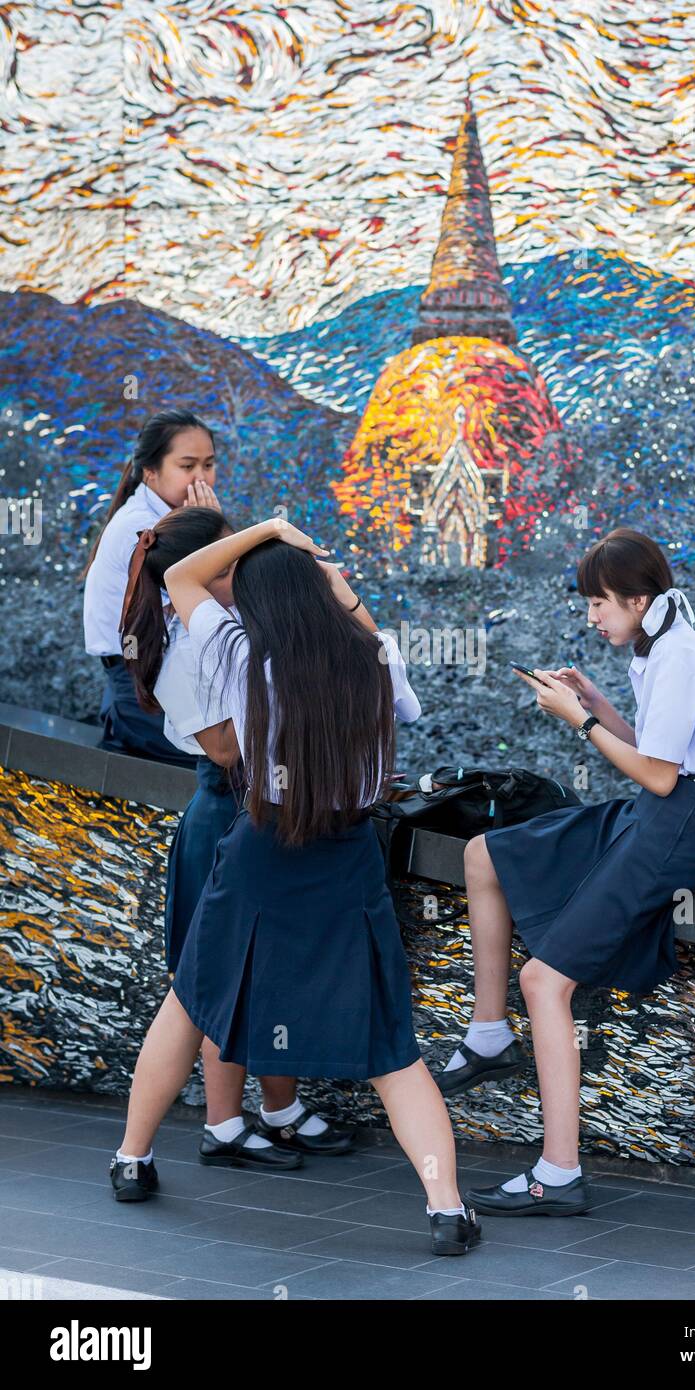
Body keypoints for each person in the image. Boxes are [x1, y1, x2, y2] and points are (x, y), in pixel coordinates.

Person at [109, 516, 481, 1256]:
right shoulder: (373, 655)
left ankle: (131, 1158)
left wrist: (267, 528)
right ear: (322, 592)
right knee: (390, 1048)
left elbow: (179, 577)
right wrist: (335, 583)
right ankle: (446, 1208)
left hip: (259, 852)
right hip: (346, 859)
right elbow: (384, 668)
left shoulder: (236, 651)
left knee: (190, 1001)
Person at [434, 527, 695, 1218]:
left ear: (637, 598)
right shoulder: (660, 644)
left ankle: (557, 1173)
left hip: (682, 824)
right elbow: (658, 752)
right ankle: (488, 1036)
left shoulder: (677, 654)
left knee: (544, 980)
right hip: (664, 811)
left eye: (599, 603)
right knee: (484, 853)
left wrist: (580, 722)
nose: (591, 616)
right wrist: (596, 705)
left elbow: (662, 777)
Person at [120, 504, 355, 1169]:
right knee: (216, 979)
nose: (243, 575)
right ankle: (222, 1124)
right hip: (225, 816)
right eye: (230, 562)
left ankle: (278, 1107)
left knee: (271, 970)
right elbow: (226, 749)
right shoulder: (189, 643)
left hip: (263, 816)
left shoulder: (231, 630)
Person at [82, 408, 219, 763]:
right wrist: (213, 530)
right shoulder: (144, 526)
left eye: (209, 465)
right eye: (187, 466)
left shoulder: (168, 515)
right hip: (142, 697)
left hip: (157, 689)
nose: (200, 477)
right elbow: (206, 604)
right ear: (151, 472)